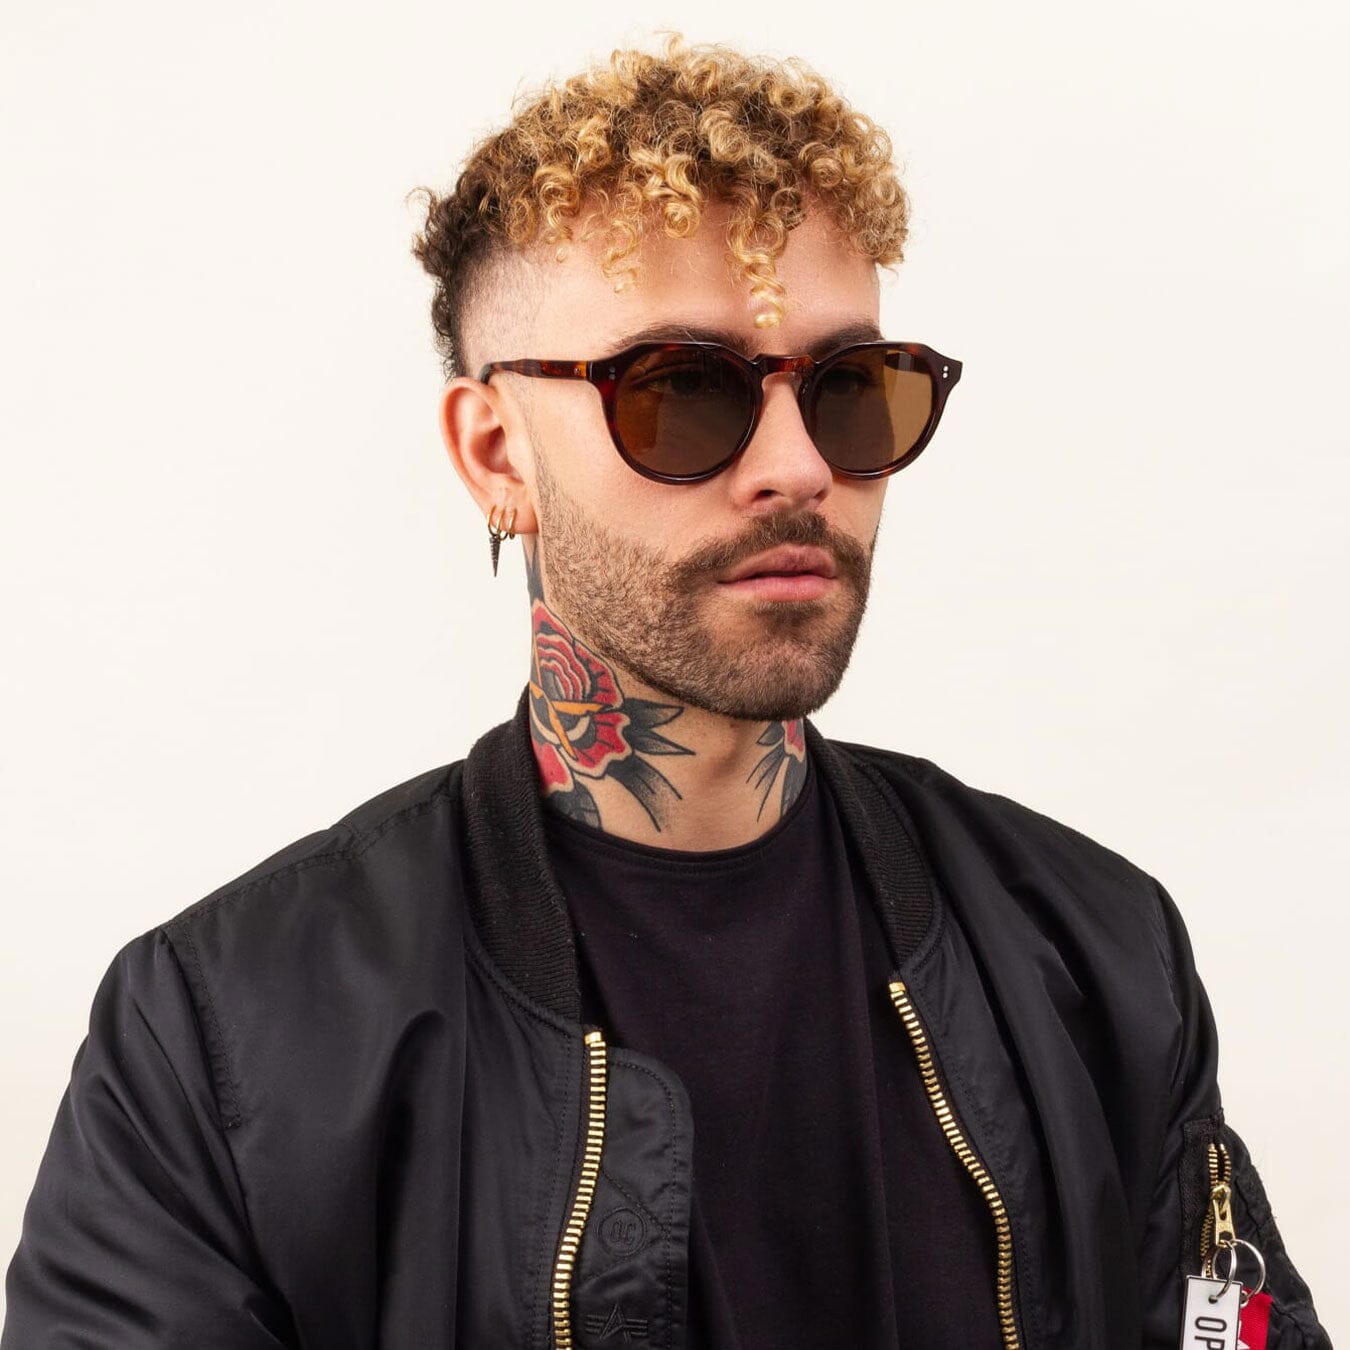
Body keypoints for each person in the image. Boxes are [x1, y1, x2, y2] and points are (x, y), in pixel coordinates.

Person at [1, 32, 1332, 1350]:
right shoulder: (226, 1039)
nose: (797, 466)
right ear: (495, 452)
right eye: (682, 391)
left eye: (851, 390)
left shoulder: (1096, 954)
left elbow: (1228, 1317)